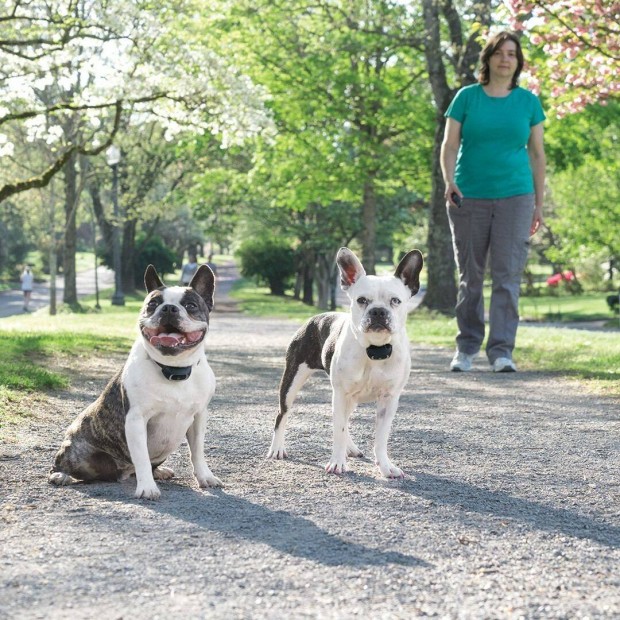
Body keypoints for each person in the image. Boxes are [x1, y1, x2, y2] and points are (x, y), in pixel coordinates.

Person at [440, 31, 546, 373]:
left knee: (507, 277)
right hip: (468, 196)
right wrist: (449, 181)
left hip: (516, 197)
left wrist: (538, 204)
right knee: (470, 276)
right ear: (487, 58)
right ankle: (466, 348)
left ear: (518, 62)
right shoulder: (467, 97)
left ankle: (502, 351)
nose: (505, 59)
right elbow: (449, 144)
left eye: (512, 54)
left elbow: (537, 155)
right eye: (499, 53)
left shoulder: (528, 102)